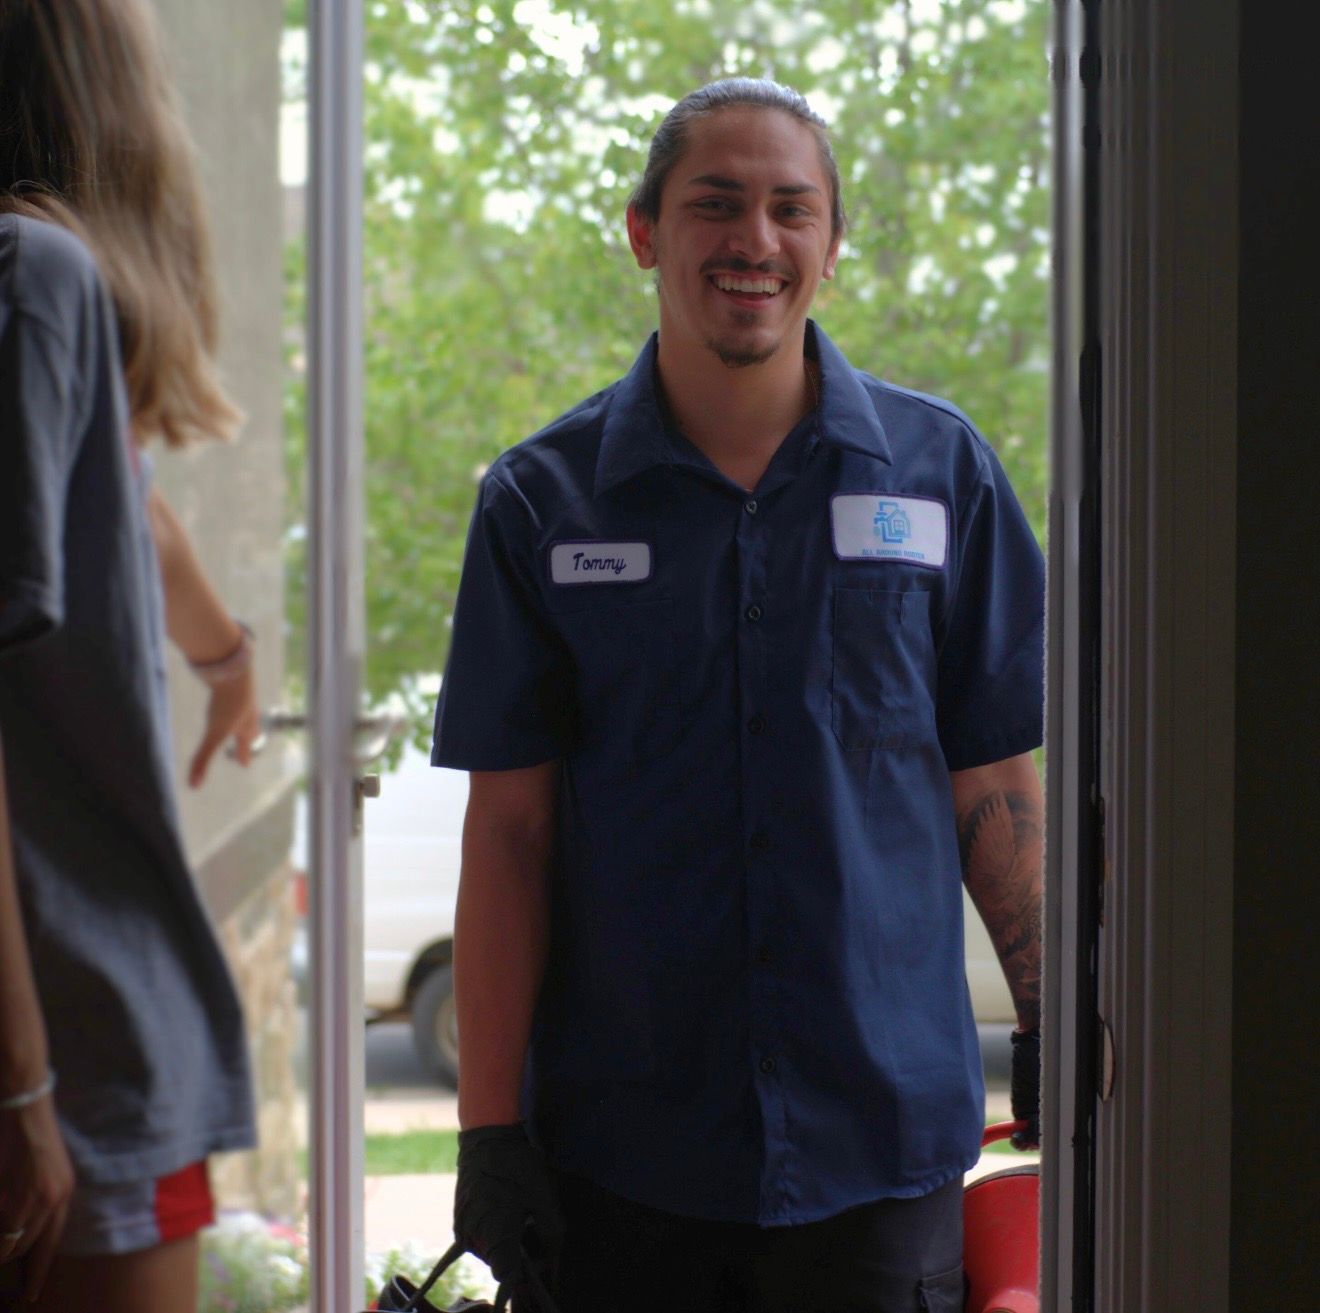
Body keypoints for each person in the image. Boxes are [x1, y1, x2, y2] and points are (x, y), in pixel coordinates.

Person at [436, 79, 1044, 1313]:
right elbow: (510, 833)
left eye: (790, 209)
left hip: (881, 1154)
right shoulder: (539, 506)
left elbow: (991, 782)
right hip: (622, 1161)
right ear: (644, 231)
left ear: (831, 241)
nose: (754, 241)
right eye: (715, 204)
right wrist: (489, 1132)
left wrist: (1051, 1015)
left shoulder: (945, 477)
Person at [0, 0, 263, 1307]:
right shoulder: (37, 277)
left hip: (84, 1034)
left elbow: (129, 514)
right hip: (72, 1035)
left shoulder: (43, 291)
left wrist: (227, 656)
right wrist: (25, 1084)